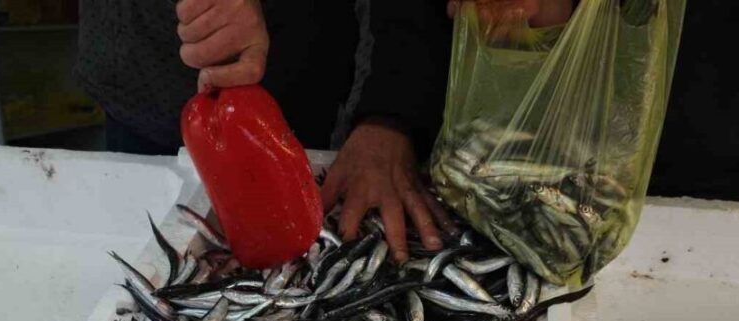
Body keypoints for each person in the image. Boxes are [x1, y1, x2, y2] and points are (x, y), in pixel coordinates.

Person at [76, 0, 456, 262]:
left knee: (302, 231)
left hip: (296, 80)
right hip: (138, 75)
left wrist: (394, 109)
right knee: (138, 248)